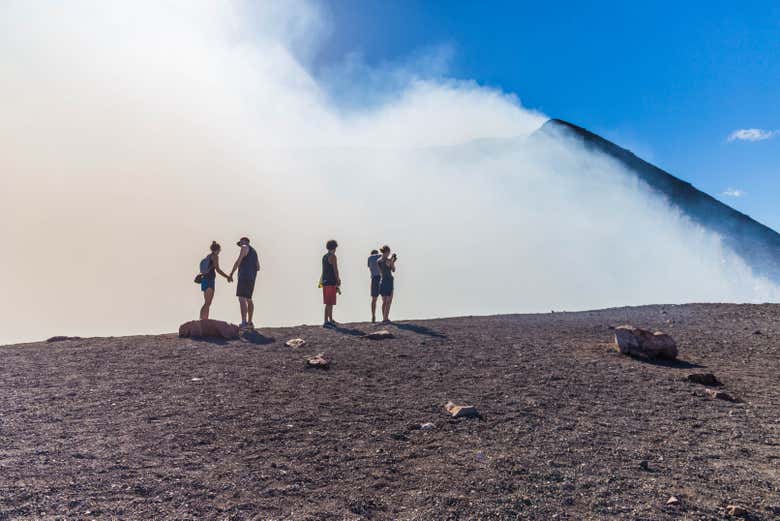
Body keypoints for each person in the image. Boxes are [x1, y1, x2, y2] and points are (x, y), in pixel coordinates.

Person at [229, 237, 260, 330]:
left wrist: (231, 273)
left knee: (241, 299)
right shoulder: (254, 252)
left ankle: (244, 322)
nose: (240, 245)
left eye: (241, 242)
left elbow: (238, 261)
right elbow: (258, 267)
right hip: (251, 278)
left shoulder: (244, 247)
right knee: (249, 299)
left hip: (244, 276)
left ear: (246, 241)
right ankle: (250, 322)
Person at [200, 241, 232, 320]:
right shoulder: (215, 256)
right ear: (217, 249)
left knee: (206, 302)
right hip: (209, 280)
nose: (220, 251)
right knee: (208, 302)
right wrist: (227, 277)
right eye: (219, 250)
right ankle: (204, 320)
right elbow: (217, 269)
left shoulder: (208, 256)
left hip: (204, 279)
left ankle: (202, 318)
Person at [320, 239, 341, 327]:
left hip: (325, 281)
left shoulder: (324, 256)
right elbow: (335, 269)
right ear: (334, 247)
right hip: (331, 281)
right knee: (329, 302)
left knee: (329, 302)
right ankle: (326, 321)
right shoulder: (333, 256)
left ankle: (330, 319)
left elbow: (324, 270)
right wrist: (338, 279)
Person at [378, 245, 397, 323]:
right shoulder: (388, 260)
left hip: (382, 280)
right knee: (389, 301)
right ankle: (386, 318)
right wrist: (392, 261)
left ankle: (384, 318)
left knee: (384, 301)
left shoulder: (378, 261)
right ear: (386, 252)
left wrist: (391, 260)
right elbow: (393, 269)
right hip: (389, 280)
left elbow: (382, 271)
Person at [367, 249, 382, 323]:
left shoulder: (370, 259)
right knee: (384, 298)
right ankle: (384, 316)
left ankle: (373, 316)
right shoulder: (378, 257)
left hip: (374, 278)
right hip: (380, 277)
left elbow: (370, 268)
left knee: (374, 299)